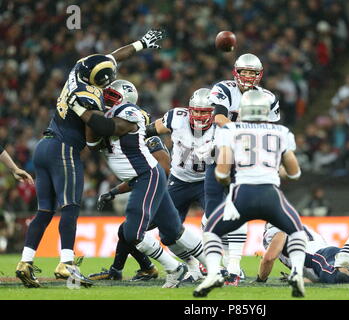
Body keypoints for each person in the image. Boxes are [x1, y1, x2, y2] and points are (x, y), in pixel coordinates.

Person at [15, 29, 165, 289]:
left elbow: (116, 56)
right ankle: (66, 262)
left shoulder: (79, 68)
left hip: (43, 146)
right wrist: (83, 111)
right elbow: (102, 128)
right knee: (70, 206)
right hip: (64, 149)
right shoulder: (87, 95)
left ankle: (25, 262)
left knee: (44, 210)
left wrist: (141, 44)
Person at [77, 79, 207, 288]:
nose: (105, 100)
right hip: (142, 179)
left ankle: (173, 267)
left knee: (132, 232)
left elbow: (110, 128)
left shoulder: (132, 118)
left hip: (149, 177)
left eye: (111, 97)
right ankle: (214, 268)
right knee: (173, 231)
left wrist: (81, 109)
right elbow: (92, 143)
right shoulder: (108, 119)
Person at [193, 90, 308, 298]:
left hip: (242, 193)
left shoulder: (230, 129)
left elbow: (222, 168)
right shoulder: (281, 132)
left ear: (243, 110)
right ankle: (297, 273)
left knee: (210, 231)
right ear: (266, 111)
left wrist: (224, 180)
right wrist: (277, 170)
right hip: (270, 194)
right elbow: (295, 172)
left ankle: (213, 273)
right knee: (297, 231)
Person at [204, 53, 281, 286]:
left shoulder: (268, 97)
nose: (248, 77)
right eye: (244, 72)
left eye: (252, 73)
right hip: (222, 152)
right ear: (236, 72)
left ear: (260, 75)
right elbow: (218, 116)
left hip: (248, 158)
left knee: (239, 207)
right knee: (212, 209)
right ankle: (218, 263)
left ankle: (234, 268)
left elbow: (271, 130)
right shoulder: (224, 89)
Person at [88, 80, 170, 282]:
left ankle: (182, 267)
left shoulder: (144, 136)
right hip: (148, 185)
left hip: (163, 192)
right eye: (106, 96)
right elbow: (136, 176)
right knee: (127, 230)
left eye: (111, 98)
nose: (106, 101)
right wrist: (113, 192)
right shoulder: (116, 133)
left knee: (149, 232)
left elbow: (163, 169)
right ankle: (134, 269)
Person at [145, 87, 215, 281]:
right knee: (166, 233)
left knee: (216, 223)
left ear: (213, 112)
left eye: (204, 112)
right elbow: (149, 130)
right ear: (189, 109)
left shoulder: (222, 127)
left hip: (206, 181)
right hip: (178, 181)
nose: (199, 115)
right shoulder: (176, 117)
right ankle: (192, 266)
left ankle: (227, 267)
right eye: (196, 111)